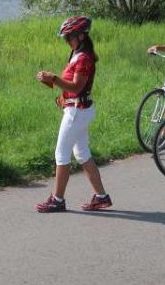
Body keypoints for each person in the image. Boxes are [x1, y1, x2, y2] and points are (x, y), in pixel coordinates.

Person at [33, 16, 112, 212]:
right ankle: (101, 197)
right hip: (77, 109)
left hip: (77, 112)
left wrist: (54, 78)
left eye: (69, 37)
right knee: (82, 153)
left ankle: (57, 200)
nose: (67, 41)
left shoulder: (84, 58)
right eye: (66, 38)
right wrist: (53, 84)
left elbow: (77, 87)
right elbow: (71, 87)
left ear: (81, 36)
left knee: (61, 154)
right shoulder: (77, 53)